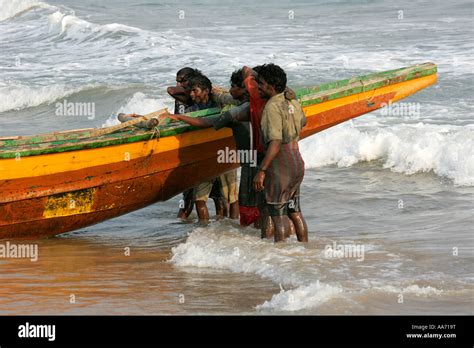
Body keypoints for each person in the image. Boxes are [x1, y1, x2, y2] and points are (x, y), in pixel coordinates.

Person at [161, 69, 261, 226]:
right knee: (201, 199)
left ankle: (235, 229)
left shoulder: (226, 104)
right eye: (189, 89)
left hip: (227, 154)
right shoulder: (191, 105)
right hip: (207, 158)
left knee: (232, 198)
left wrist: (178, 116)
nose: (192, 93)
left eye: (194, 89)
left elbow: (207, 122)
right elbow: (172, 90)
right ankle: (208, 232)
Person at [252, 63, 308, 242]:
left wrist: (262, 170)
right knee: (295, 212)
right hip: (297, 161)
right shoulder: (293, 102)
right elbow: (304, 121)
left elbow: (275, 142)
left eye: (260, 83)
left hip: (280, 164)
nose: (257, 87)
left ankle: (280, 259)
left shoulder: (271, 107)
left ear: (271, 86)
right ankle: (305, 251)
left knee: (278, 216)